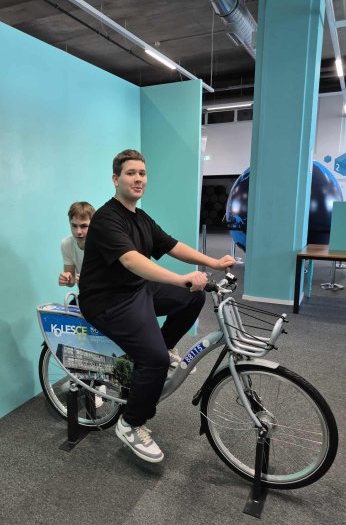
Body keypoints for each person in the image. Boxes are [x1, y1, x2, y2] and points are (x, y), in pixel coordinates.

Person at [78, 150, 234, 463]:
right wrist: (181, 279)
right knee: (154, 360)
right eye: (131, 173)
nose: (138, 179)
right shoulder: (107, 219)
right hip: (107, 300)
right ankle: (131, 424)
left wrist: (213, 262)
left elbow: (172, 245)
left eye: (142, 173)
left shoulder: (141, 217)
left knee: (193, 298)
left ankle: (161, 349)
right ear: (116, 179)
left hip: (135, 289)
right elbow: (131, 260)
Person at [58, 201, 95, 287]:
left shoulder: (104, 243)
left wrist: (92, 280)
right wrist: (67, 279)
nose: (78, 232)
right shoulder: (66, 244)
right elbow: (71, 282)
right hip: (85, 293)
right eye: (74, 226)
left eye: (84, 226)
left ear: (94, 224)